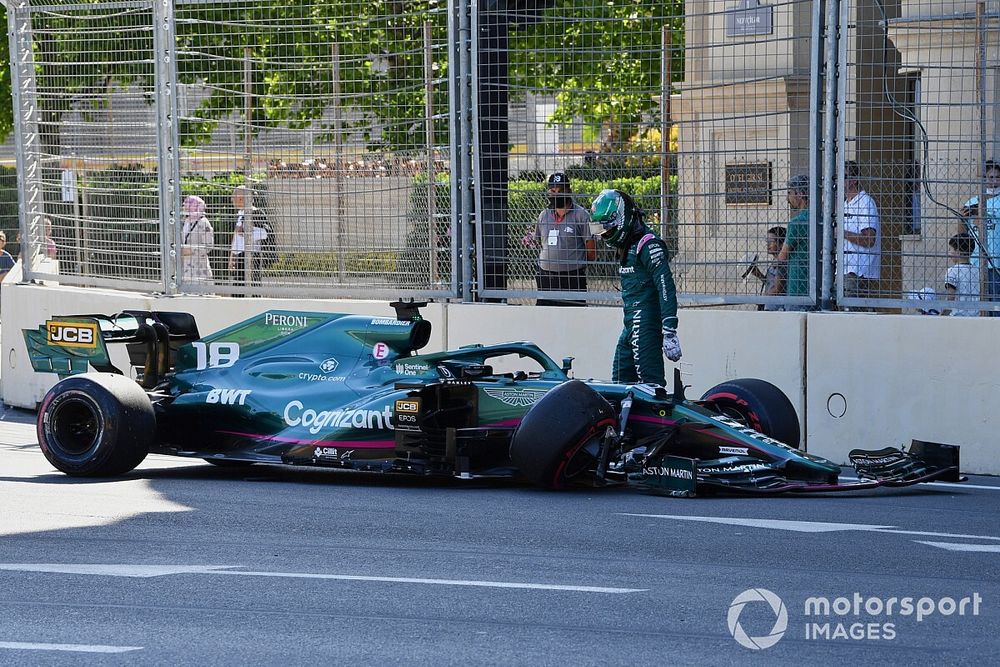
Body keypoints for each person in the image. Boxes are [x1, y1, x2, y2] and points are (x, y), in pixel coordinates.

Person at [590, 188, 680, 386]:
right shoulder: (628, 243)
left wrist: (669, 329)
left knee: (650, 385)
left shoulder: (648, 245)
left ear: (623, 218)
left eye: (609, 229)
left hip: (645, 321)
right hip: (630, 321)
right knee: (621, 379)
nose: (606, 234)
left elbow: (666, 286)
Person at [522, 172, 596, 306]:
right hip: (545, 277)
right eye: (553, 190)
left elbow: (591, 251)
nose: (556, 194)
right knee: (545, 318)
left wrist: (574, 264)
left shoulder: (581, 215)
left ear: (569, 191)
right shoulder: (543, 215)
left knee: (574, 317)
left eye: (561, 190)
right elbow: (541, 243)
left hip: (572, 278)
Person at [959, 160, 1000, 314]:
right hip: (976, 262)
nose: (994, 182)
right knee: (977, 307)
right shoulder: (972, 201)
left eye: (997, 177)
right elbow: (963, 232)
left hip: (995, 263)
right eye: (990, 178)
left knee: (996, 307)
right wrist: (962, 217)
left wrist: (982, 213)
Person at [842, 160, 881, 301]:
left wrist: (842, 233)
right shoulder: (844, 204)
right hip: (843, 269)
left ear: (854, 180)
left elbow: (869, 240)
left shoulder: (865, 202)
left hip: (859, 273)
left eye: (843, 176)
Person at [775, 174, 811, 308]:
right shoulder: (821, 218)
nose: (787, 198)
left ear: (800, 194)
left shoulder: (797, 222)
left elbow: (782, 256)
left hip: (798, 286)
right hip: (818, 287)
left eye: (789, 193)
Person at [228, 186, 269, 295]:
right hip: (240, 255)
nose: (232, 200)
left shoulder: (255, 213)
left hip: (251, 255)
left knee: (252, 286)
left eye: (233, 197)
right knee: (238, 288)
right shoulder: (241, 213)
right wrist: (232, 256)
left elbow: (264, 233)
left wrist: (246, 233)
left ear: (241, 198)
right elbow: (236, 237)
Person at [746, 226, 786, 311]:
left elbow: (777, 289)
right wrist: (759, 275)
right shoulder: (776, 261)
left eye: (771, 242)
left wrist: (762, 299)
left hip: (776, 309)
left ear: (781, 245)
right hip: (770, 306)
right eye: (767, 241)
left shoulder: (781, 264)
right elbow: (771, 283)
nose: (768, 245)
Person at [180, 195, 214, 286]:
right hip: (185, 267)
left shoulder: (203, 222)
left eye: (189, 203)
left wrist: (191, 250)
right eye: (185, 204)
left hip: (199, 268)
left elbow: (208, 246)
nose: (185, 206)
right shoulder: (185, 221)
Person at [943, 232, 979, 317]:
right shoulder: (977, 271)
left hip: (958, 316)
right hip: (976, 315)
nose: (949, 252)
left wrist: (943, 314)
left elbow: (950, 297)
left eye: (950, 249)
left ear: (958, 252)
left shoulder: (952, 271)